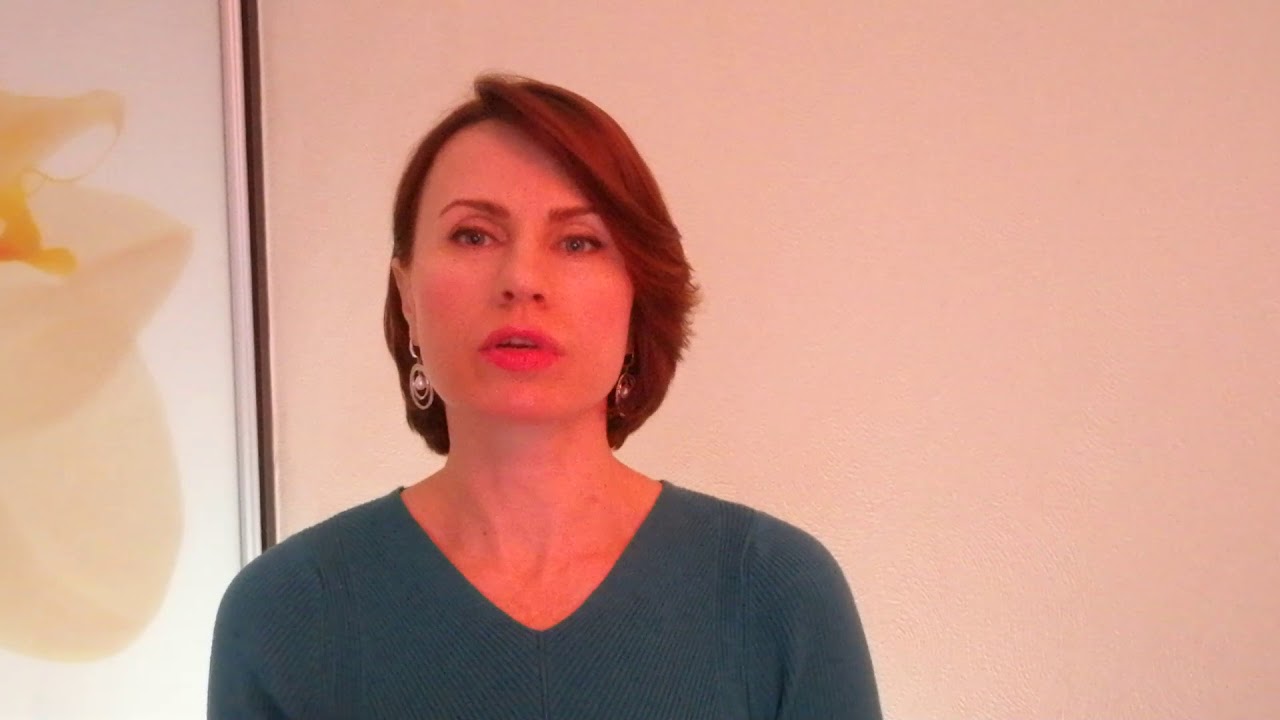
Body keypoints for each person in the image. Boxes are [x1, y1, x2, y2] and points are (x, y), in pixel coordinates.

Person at [207, 74, 881, 719]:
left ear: (638, 295)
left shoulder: (773, 591)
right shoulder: (287, 610)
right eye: (473, 235)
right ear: (406, 292)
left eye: (578, 242)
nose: (522, 279)